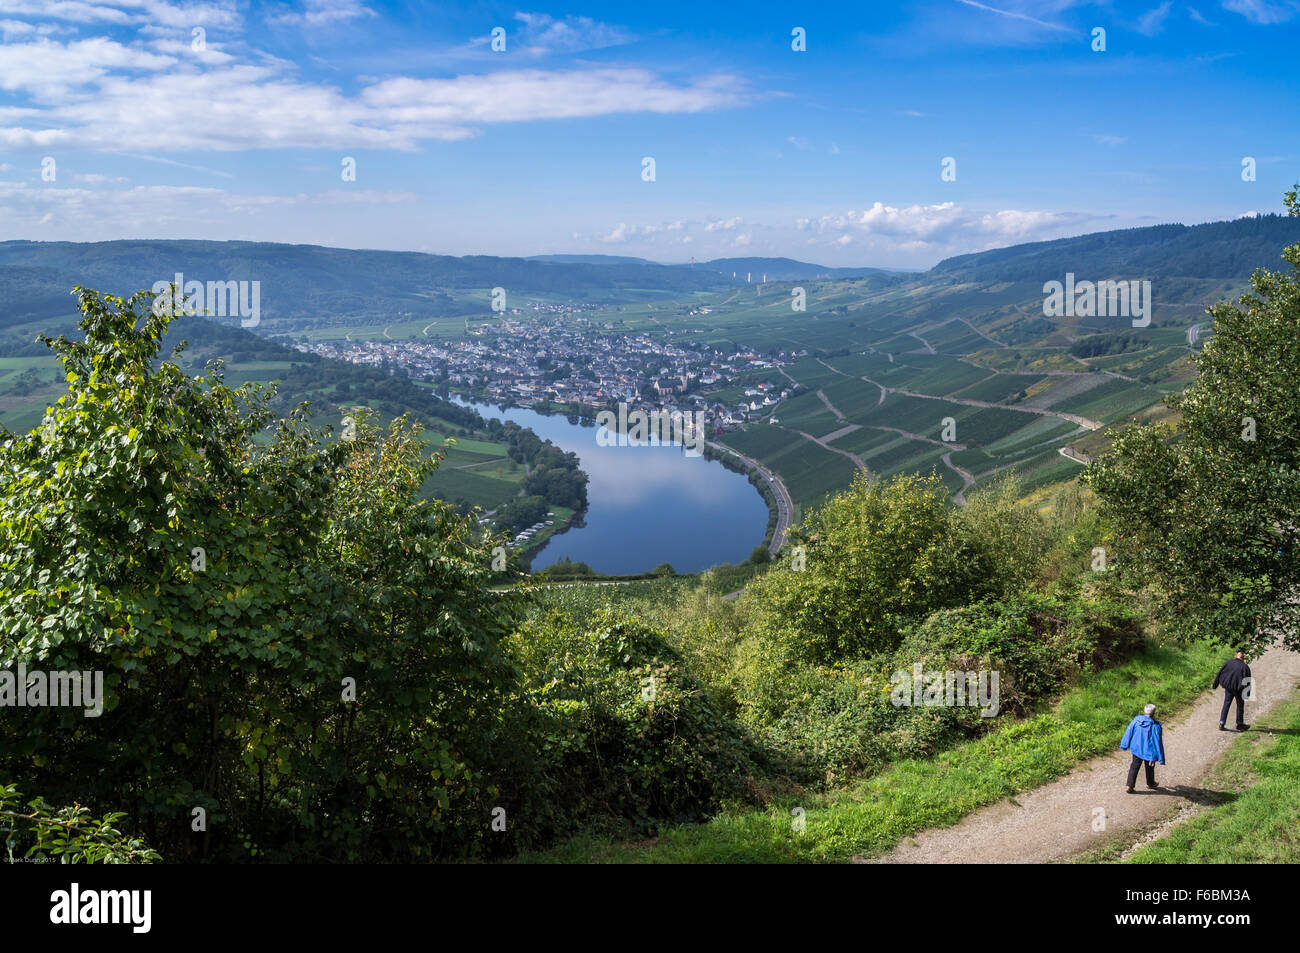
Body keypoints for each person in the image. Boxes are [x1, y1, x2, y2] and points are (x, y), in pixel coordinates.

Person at [1120, 703, 1165, 793]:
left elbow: (1128, 732)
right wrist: (1160, 758)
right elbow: (1157, 742)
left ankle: (1129, 786)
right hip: (1149, 752)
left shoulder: (1137, 721)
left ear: (1144, 711)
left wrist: (1124, 745)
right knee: (1150, 767)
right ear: (1154, 713)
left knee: (1134, 766)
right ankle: (1150, 783)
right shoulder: (1155, 726)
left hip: (1136, 748)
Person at [1212, 650, 1252, 732]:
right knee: (1240, 705)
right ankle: (1240, 724)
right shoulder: (1245, 667)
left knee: (1226, 704)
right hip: (1238, 689)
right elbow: (1248, 681)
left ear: (1235, 656)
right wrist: (1247, 694)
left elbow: (1219, 673)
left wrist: (1215, 685)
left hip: (1229, 687)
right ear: (1243, 658)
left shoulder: (1228, 663)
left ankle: (1222, 723)